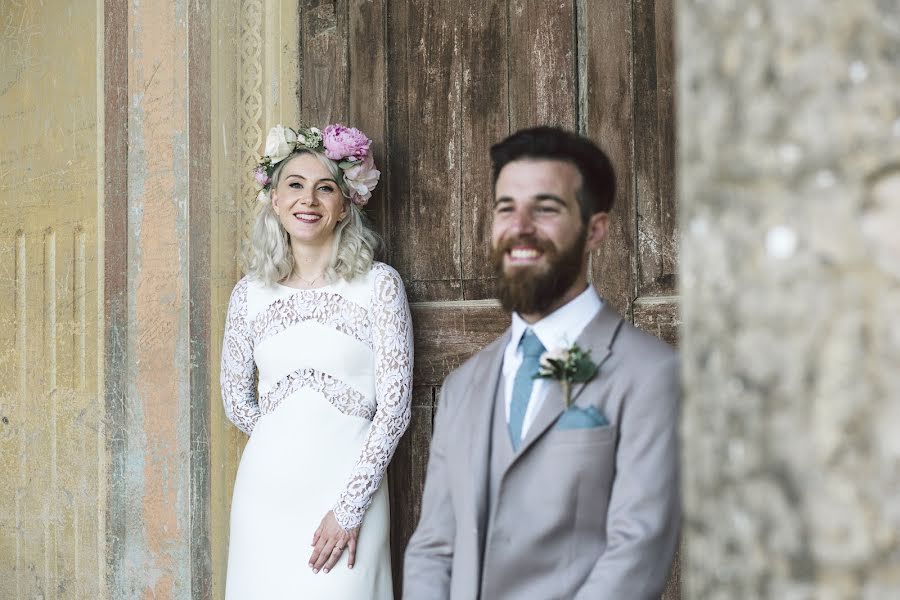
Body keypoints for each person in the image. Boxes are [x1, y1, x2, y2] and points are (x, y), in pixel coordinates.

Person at [404, 126, 680, 599]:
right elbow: (434, 549)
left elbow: (638, 549)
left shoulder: (652, 374)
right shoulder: (462, 386)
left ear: (595, 230)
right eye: (505, 208)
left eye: (546, 208)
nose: (520, 226)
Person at [221, 123, 412, 599]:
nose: (309, 199)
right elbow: (236, 402)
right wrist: (287, 439)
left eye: (324, 187)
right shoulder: (248, 295)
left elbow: (394, 411)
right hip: (265, 495)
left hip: (350, 494)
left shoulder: (380, 286)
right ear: (275, 200)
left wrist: (348, 509)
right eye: (295, 185)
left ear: (345, 204)